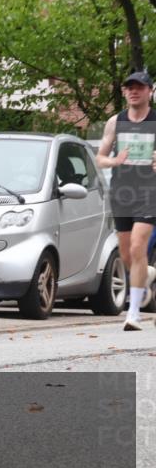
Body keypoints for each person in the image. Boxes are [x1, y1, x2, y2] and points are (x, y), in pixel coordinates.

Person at [96, 70, 156, 331]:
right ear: (124, 92)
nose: (134, 91)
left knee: (137, 246)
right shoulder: (115, 122)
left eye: (139, 87)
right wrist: (115, 161)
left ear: (150, 92)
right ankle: (146, 276)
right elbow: (100, 158)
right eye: (129, 87)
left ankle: (133, 313)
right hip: (122, 192)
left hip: (149, 192)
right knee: (126, 253)